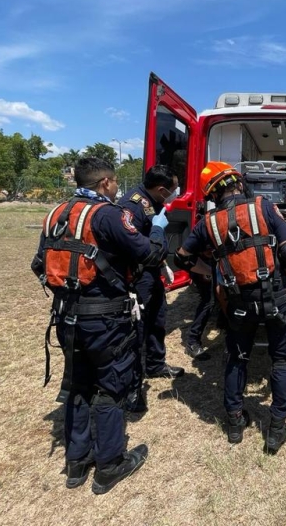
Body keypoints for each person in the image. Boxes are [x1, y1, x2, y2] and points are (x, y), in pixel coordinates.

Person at [31, 157, 167, 494]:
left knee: (79, 385)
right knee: (111, 387)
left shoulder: (56, 214)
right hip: (105, 320)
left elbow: (39, 265)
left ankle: (76, 462)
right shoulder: (107, 214)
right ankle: (110, 464)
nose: (117, 187)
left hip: (65, 317)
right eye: (115, 182)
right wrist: (161, 230)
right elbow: (147, 254)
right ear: (105, 182)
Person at [175, 161, 286, 454]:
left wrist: (210, 270)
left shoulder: (206, 222)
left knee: (237, 358)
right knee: (281, 360)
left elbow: (180, 258)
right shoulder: (263, 206)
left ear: (212, 194)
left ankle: (234, 424)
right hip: (277, 299)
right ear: (237, 182)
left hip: (238, 303)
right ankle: (276, 429)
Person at [118, 166, 185, 413]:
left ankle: (156, 364)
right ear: (162, 189)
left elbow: (150, 238)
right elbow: (131, 244)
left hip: (152, 270)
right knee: (138, 328)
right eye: (174, 189)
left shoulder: (153, 202)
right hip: (139, 274)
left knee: (158, 318)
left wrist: (163, 263)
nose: (176, 193)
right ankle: (132, 386)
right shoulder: (133, 205)